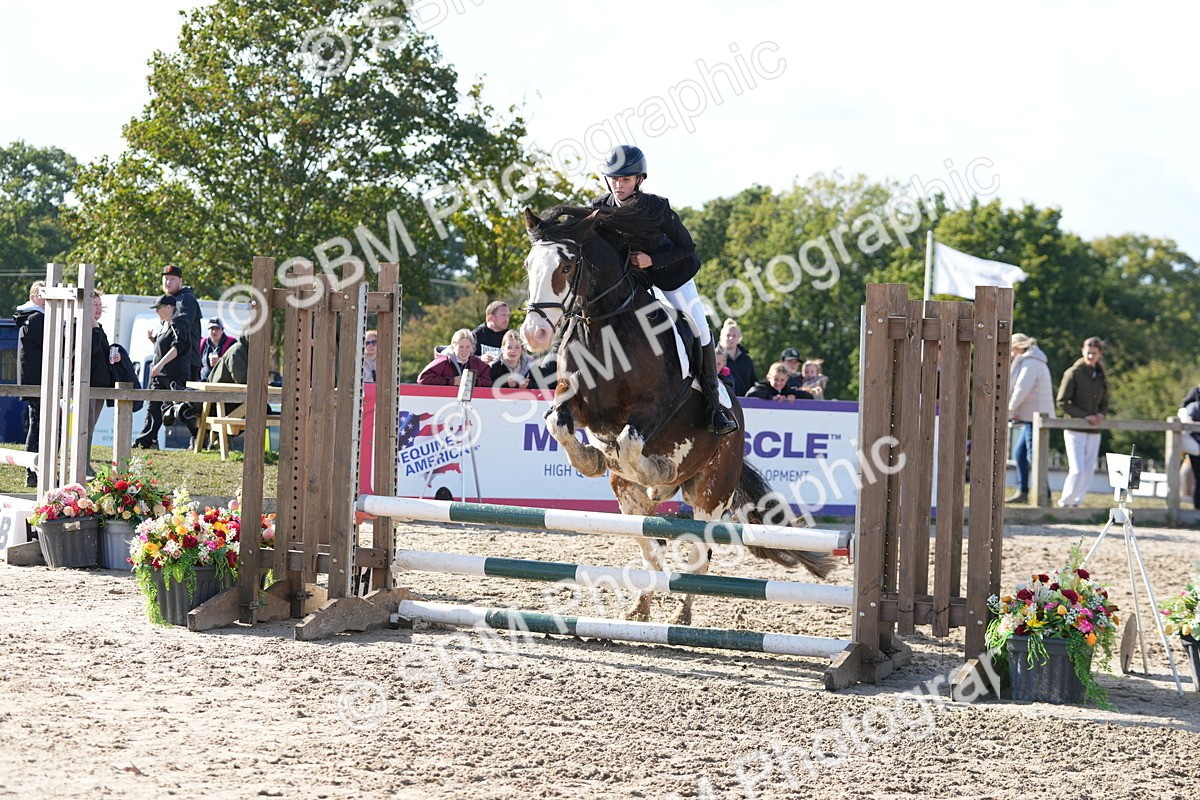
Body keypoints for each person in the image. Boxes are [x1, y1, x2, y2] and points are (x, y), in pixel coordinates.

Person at [591, 145, 737, 435]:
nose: (618, 185)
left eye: (625, 179)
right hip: (634, 283)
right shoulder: (600, 207)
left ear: (639, 180)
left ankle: (713, 405)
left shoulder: (656, 207)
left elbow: (688, 247)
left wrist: (652, 260)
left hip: (672, 278)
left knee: (700, 328)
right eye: (614, 179)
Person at [135, 294, 197, 449]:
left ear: (169, 307)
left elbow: (178, 347)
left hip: (174, 375)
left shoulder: (179, 323)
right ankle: (146, 441)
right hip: (160, 375)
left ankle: (201, 436)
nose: (156, 312)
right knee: (153, 407)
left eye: (159, 308)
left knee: (181, 408)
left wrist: (160, 365)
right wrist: (154, 341)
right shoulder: (166, 325)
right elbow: (165, 348)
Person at [1055, 336, 1108, 508]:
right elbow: (1062, 402)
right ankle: (1066, 502)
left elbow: (1104, 403)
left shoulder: (1101, 376)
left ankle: (1078, 502)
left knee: (1088, 471)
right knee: (1077, 470)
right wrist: (1085, 416)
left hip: (1094, 430)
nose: (1091, 356)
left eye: (1094, 353)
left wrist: (1101, 414)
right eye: (1088, 352)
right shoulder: (1073, 373)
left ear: (1100, 354)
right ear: (1082, 351)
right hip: (1075, 428)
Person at [1006, 333, 1056, 504]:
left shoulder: (1030, 363)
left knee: (1034, 457)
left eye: (1012, 349)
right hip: (1031, 416)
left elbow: (1022, 389)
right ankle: (1024, 491)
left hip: (1034, 418)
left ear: (1018, 346)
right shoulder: (1033, 361)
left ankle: (1045, 495)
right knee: (1021, 454)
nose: (1011, 353)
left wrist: (1010, 410)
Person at [86, 290, 122, 479]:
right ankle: (82, 464)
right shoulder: (81, 326)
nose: (98, 309)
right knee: (86, 422)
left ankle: (86, 463)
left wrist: (114, 355)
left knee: (92, 424)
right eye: (95, 305)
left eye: (100, 305)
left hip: (101, 382)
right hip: (86, 383)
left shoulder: (99, 327)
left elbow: (101, 352)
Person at [13, 280, 46, 486]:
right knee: (38, 427)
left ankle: (34, 473)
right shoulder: (36, 318)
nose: (46, 298)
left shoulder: (29, 318)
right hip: (38, 380)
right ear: (34, 296)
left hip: (33, 379)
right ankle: (33, 472)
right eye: (43, 294)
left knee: (36, 424)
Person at [153, 265, 202, 380]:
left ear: (180, 281)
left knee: (182, 397)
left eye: (172, 279)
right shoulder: (169, 300)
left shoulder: (186, 299)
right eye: (166, 279)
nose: (168, 282)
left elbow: (181, 335)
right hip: (171, 362)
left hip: (185, 363)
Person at [416, 329, 494, 388]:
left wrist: (473, 381)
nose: (464, 350)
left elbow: (489, 380)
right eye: (461, 347)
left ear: (472, 348)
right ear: (453, 347)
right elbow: (423, 378)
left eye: (468, 347)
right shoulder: (444, 361)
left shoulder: (476, 363)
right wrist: (452, 381)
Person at [720, 318, 757, 397]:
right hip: (723, 402)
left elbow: (753, 383)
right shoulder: (715, 358)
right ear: (722, 337)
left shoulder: (746, 360)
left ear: (739, 338)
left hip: (745, 403)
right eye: (728, 335)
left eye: (734, 336)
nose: (731, 338)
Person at [746, 362, 813, 403]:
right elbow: (751, 392)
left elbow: (809, 396)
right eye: (776, 379)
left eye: (782, 380)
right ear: (769, 377)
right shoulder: (763, 387)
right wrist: (771, 397)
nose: (778, 383)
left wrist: (793, 396)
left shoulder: (787, 390)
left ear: (787, 379)